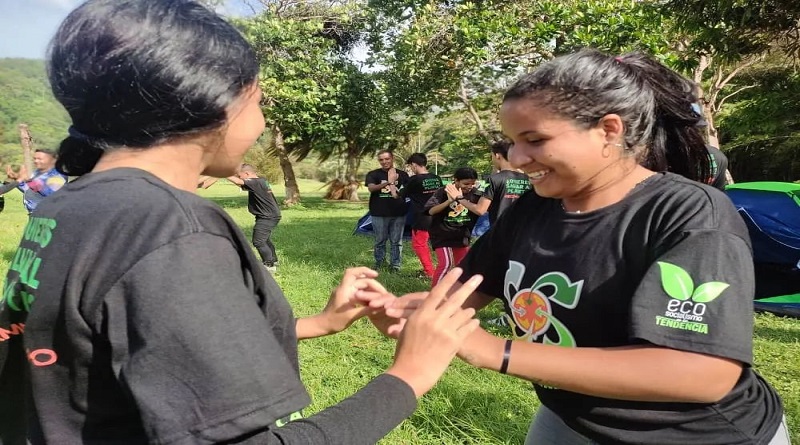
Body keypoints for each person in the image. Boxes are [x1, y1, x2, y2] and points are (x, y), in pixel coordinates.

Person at [0, 1, 484, 443]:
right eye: (258, 101)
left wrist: (320, 324)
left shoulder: (71, 205)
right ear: (215, 101)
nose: (263, 122)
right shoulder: (172, 228)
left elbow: (136, 345)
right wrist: (408, 376)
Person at [373, 49, 790, 444]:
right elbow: (469, 286)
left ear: (609, 130)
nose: (516, 158)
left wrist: (496, 351)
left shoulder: (688, 214)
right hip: (570, 416)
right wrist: (411, 311)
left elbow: (702, 372)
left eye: (534, 140)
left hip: (695, 435)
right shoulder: (536, 206)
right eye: (512, 141)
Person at [424, 167, 483, 286]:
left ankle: (456, 291)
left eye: (472, 183)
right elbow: (430, 211)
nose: (469, 186)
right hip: (442, 234)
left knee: (462, 267)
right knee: (446, 263)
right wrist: (448, 201)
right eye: (466, 183)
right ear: (456, 180)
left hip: (462, 235)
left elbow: (482, 209)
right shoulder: (442, 192)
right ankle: (435, 293)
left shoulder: (476, 194)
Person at [227, 164, 282, 272]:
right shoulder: (260, 181)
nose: (240, 178)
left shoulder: (255, 182)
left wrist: (221, 173)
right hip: (268, 215)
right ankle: (273, 260)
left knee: (258, 241)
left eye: (240, 175)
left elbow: (238, 182)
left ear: (247, 173)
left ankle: (269, 265)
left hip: (267, 216)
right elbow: (240, 184)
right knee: (264, 239)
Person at [365, 150, 409, 272]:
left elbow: (408, 189)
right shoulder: (373, 174)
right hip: (379, 213)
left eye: (387, 159)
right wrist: (389, 182)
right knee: (380, 240)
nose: (384, 162)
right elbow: (371, 188)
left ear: (392, 158)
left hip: (399, 212)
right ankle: (380, 263)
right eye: (381, 160)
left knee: (396, 242)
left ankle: (395, 265)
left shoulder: (403, 174)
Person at [401, 153, 443, 279]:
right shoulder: (436, 178)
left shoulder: (414, 180)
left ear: (414, 165)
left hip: (422, 217)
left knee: (419, 244)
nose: (411, 168)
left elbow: (398, 195)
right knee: (438, 243)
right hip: (437, 215)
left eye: (410, 166)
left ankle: (429, 272)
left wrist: (391, 182)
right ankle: (441, 268)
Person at [474, 139, 532, 225]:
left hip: (501, 228)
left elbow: (480, 210)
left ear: (497, 156)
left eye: (492, 157)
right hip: (525, 228)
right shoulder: (530, 179)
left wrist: (460, 198)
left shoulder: (493, 179)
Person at [5, 149, 67, 214]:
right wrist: (17, 180)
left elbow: (53, 194)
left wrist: (31, 183)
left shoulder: (57, 175)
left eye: (40, 159)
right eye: (35, 158)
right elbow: (28, 189)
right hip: (34, 212)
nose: (36, 161)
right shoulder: (38, 172)